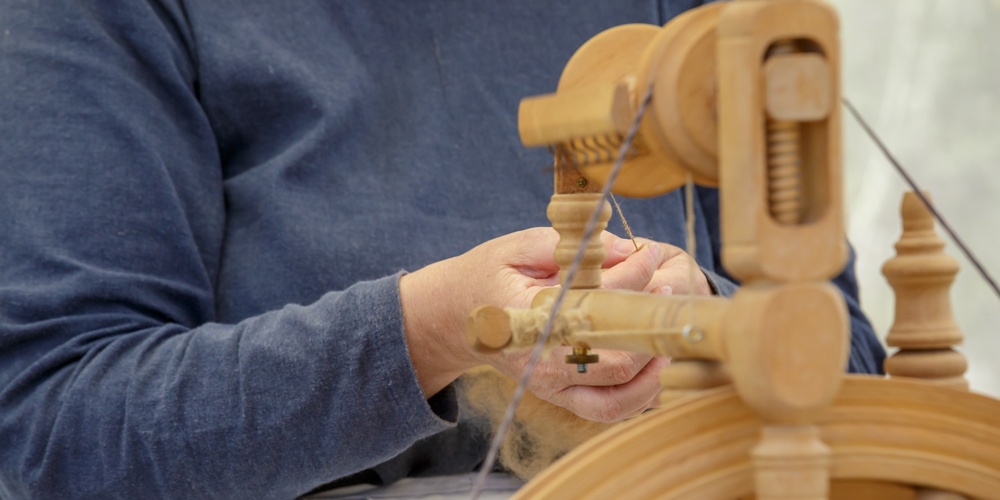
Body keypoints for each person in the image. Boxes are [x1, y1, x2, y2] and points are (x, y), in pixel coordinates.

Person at [0, 0, 885, 497]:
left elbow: (854, 365)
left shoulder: (707, 26)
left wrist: (716, 322)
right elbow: (51, 433)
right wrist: (425, 333)